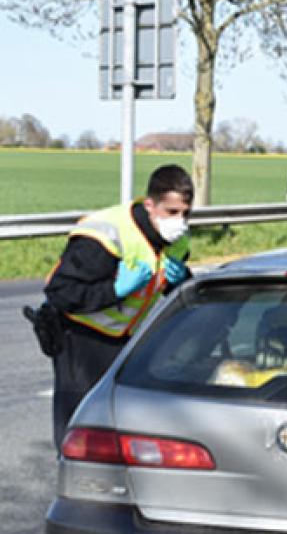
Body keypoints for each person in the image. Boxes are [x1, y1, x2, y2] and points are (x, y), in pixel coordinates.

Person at [39, 164, 194, 450]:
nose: (180, 221)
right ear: (150, 205)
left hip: (124, 339)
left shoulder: (178, 239)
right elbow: (61, 292)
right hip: (79, 338)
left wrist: (181, 281)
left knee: (119, 423)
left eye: (186, 212)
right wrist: (116, 290)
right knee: (78, 426)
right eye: (172, 212)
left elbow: (168, 286)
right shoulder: (104, 236)